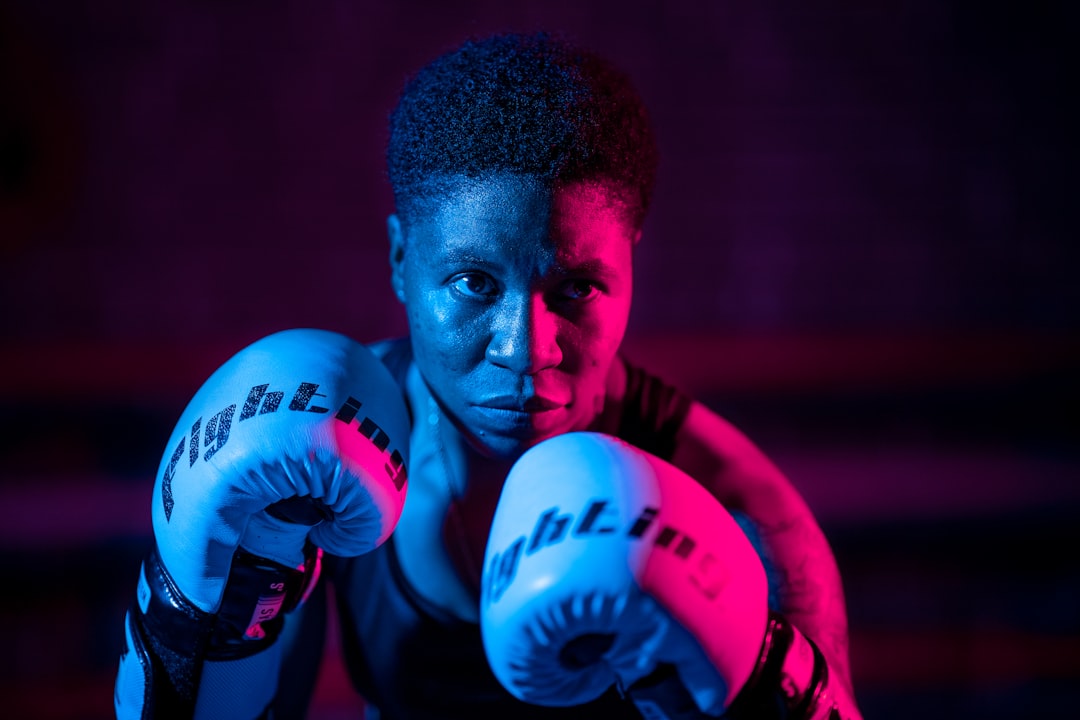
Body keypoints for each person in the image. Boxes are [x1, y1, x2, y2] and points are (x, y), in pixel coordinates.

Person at [114, 32, 863, 719]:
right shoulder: (313, 448)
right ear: (404, 261)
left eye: (576, 287)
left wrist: (754, 681)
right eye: (473, 282)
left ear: (633, 260)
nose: (526, 348)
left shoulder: (744, 512)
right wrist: (202, 614)